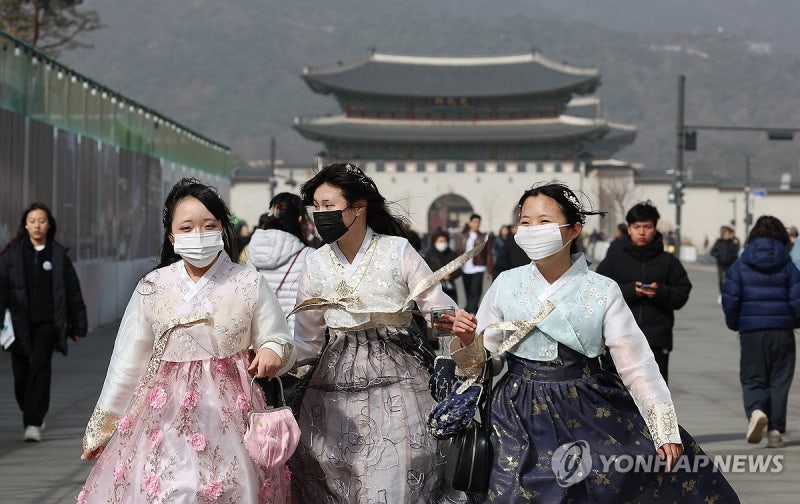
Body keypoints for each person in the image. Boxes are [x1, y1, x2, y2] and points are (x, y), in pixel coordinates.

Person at [444, 182, 739, 503]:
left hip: (586, 403)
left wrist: (663, 428)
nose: (531, 230)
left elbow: (637, 365)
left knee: (611, 479)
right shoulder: (505, 284)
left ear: (573, 230)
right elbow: (487, 361)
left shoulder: (602, 289)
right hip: (516, 411)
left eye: (543, 221)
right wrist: (467, 339)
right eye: (525, 222)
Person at [78, 178, 296, 502]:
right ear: (172, 236)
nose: (199, 235)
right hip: (163, 414)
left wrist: (271, 350)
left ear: (222, 229)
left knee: (229, 488)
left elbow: (278, 335)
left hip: (231, 413)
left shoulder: (248, 282)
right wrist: (103, 425)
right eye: (187, 227)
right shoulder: (153, 286)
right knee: (169, 489)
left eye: (209, 225)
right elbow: (128, 361)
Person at [288, 163, 466, 503]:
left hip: (397, 382)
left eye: (330, 205)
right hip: (331, 392)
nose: (321, 214)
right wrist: (274, 353)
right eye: (317, 207)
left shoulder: (397, 251)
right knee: (331, 475)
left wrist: (456, 323)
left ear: (358, 207)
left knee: (394, 475)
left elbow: (435, 307)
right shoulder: (314, 263)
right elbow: (307, 341)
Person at [0, 202, 88, 443]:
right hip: (18, 322)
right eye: (32, 221)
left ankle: (33, 423)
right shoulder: (12, 256)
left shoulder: (58, 255)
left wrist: (78, 325)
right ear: (25, 225)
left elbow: (72, 291)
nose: (37, 225)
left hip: (47, 323)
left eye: (42, 220)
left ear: (49, 224)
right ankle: (34, 408)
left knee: (39, 368)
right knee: (21, 375)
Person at [721, 215, 800, 449]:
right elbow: (798, 299)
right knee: (779, 381)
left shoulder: (741, 264)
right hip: (783, 331)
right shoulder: (788, 265)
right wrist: (794, 321)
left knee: (753, 377)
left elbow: (730, 298)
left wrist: (735, 323)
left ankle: (756, 411)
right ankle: (775, 430)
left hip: (752, 331)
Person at [596, 201, 692, 384]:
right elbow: (597, 294)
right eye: (636, 227)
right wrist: (630, 291)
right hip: (619, 341)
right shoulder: (614, 261)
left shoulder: (668, 262)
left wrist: (660, 292)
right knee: (617, 401)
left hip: (655, 342)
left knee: (654, 401)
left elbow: (682, 293)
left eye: (647, 227)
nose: (642, 232)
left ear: (655, 228)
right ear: (629, 229)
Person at [455, 213, 493, 314]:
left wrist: (489, 270)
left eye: (478, 223)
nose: (476, 224)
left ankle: (472, 311)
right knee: (467, 291)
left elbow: (489, 254)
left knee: (475, 291)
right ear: (470, 223)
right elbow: (457, 250)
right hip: (465, 268)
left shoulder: (483, 237)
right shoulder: (463, 236)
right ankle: (471, 309)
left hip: (478, 268)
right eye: (475, 222)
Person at [422, 230, 461, 303]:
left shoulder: (451, 254)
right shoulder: (428, 255)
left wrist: (450, 276)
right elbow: (424, 269)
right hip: (434, 288)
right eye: (440, 241)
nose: (443, 243)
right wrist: (439, 275)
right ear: (434, 242)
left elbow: (458, 269)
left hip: (450, 288)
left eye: (444, 241)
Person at [709, 225, 740, 302]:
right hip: (721, 264)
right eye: (725, 233)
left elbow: (736, 251)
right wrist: (718, 256)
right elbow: (712, 252)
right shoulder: (719, 242)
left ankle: (728, 294)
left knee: (729, 280)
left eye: (728, 233)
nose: (726, 235)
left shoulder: (733, 242)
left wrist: (736, 243)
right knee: (721, 279)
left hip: (730, 264)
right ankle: (721, 294)